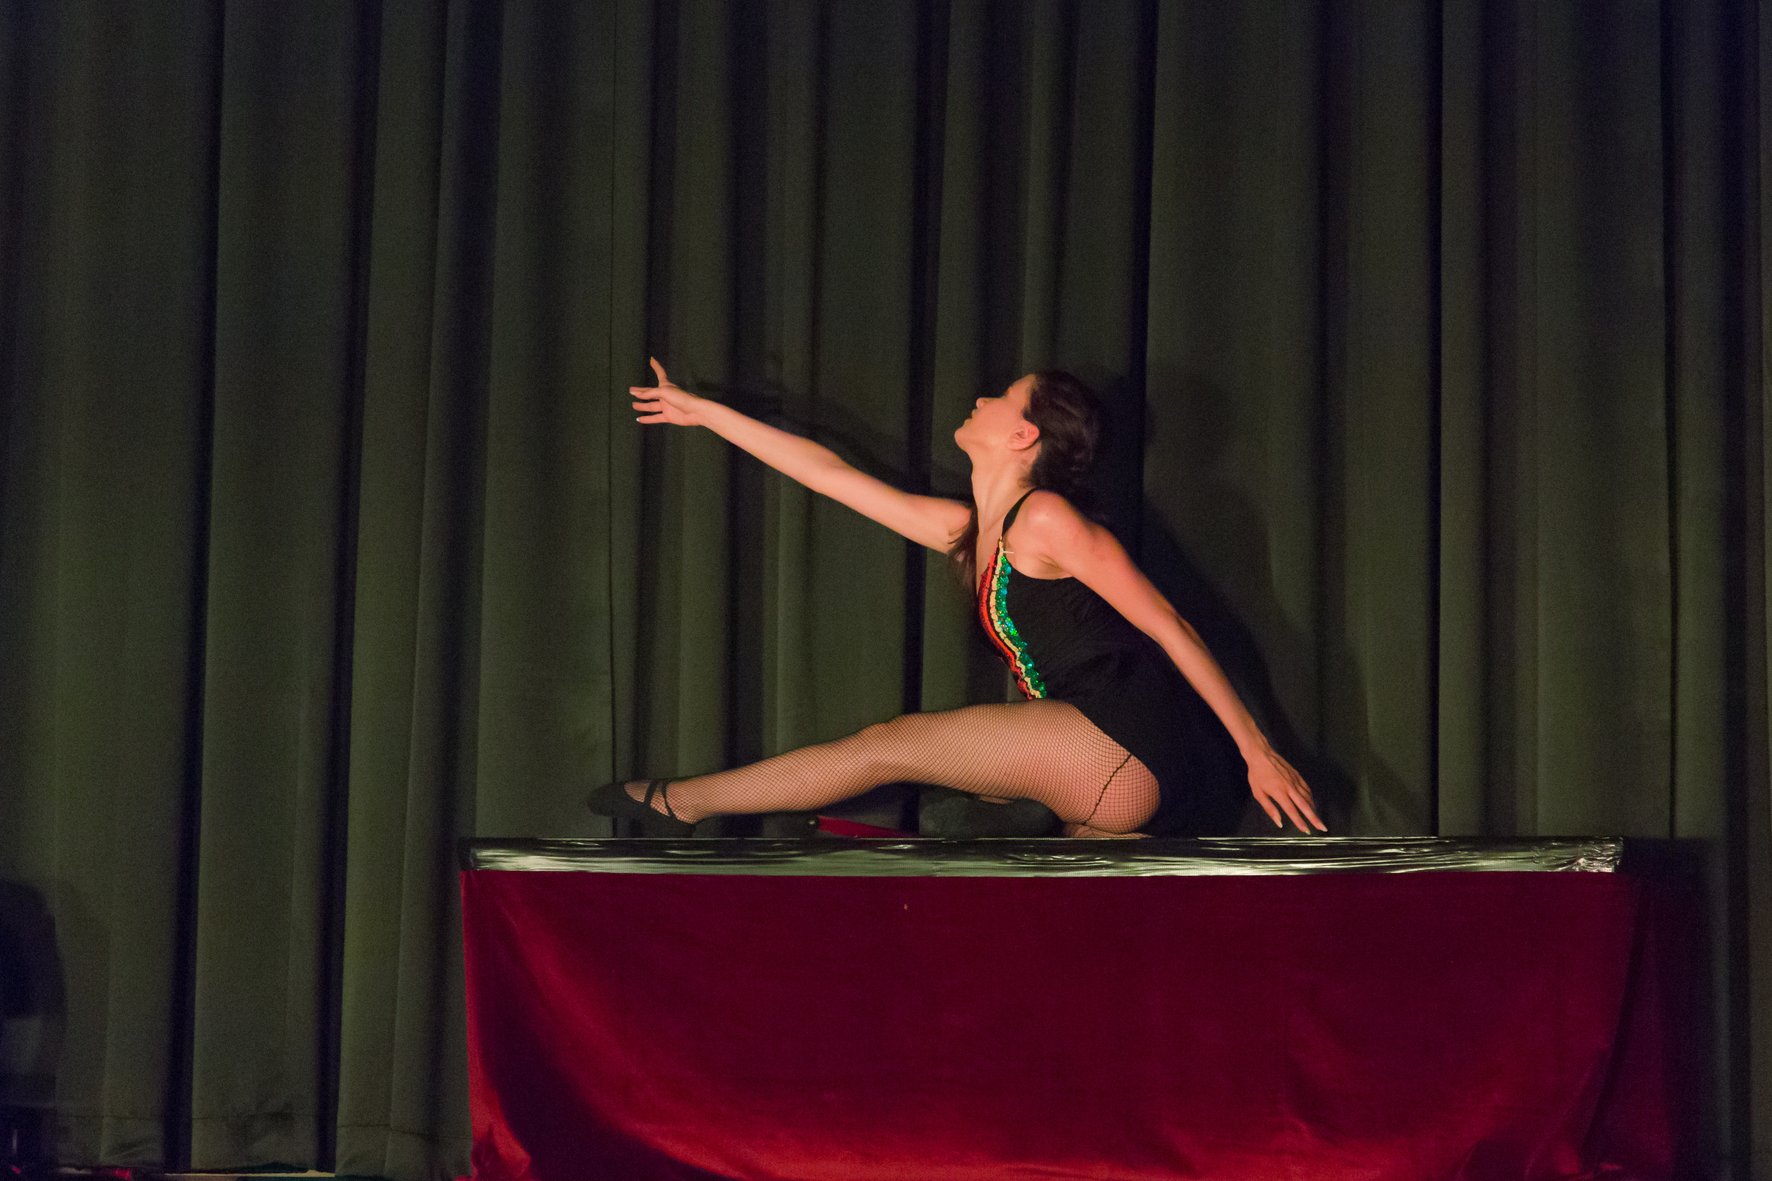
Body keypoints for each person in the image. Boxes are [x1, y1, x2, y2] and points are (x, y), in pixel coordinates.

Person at [587, 359, 1326, 839]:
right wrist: (706, 414)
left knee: (890, 743)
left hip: (1121, 741)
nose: (979, 398)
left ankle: (683, 801)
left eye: (1000, 398)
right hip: (1098, 763)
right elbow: (830, 476)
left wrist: (1257, 753)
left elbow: (1170, 625)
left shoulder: (1046, 518)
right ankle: (1015, 814)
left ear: (1024, 434)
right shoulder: (971, 532)